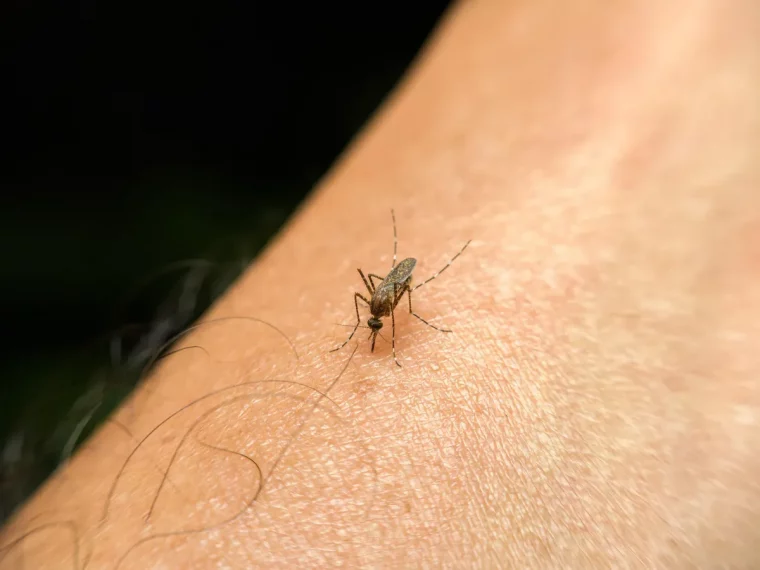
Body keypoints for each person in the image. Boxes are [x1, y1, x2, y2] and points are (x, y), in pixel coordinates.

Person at [3, 0, 760, 567]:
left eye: (377, 320)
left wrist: (402, 309)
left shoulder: (392, 303)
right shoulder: (371, 313)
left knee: (409, 290)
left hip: (410, 276)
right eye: (375, 321)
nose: (378, 322)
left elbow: (393, 296)